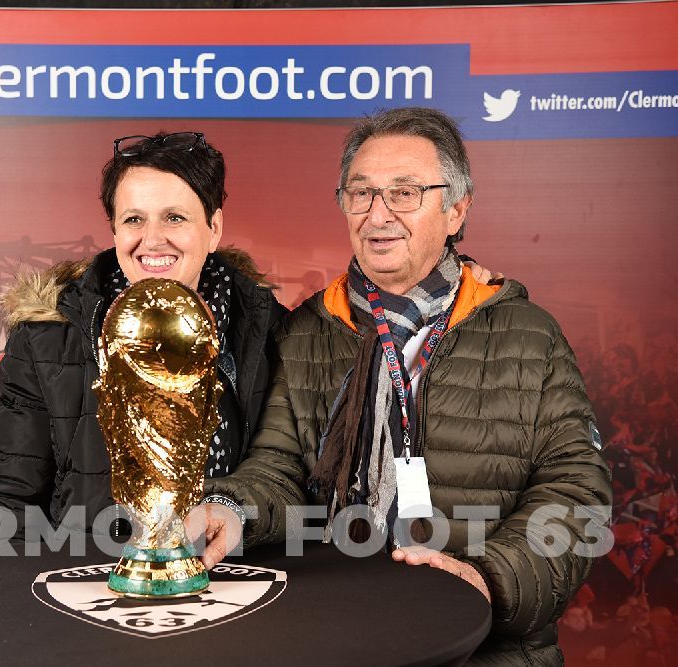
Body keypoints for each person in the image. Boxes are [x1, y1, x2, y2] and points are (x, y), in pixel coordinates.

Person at [195, 107, 612, 664]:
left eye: (405, 192)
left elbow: (576, 493)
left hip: (480, 642)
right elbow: (279, 467)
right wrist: (230, 509)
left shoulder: (526, 335)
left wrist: (487, 578)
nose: (378, 214)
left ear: (456, 209)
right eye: (360, 192)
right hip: (334, 630)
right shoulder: (310, 329)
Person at [0, 131, 286, 539]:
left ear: (213, 227)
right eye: (133, 219)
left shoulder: (268, 330)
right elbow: (10, 504)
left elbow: (284, 474)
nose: (152, 239)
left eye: (174, 217)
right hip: (87, 584)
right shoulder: (46, 340)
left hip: (235, 580)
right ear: (114, 231)